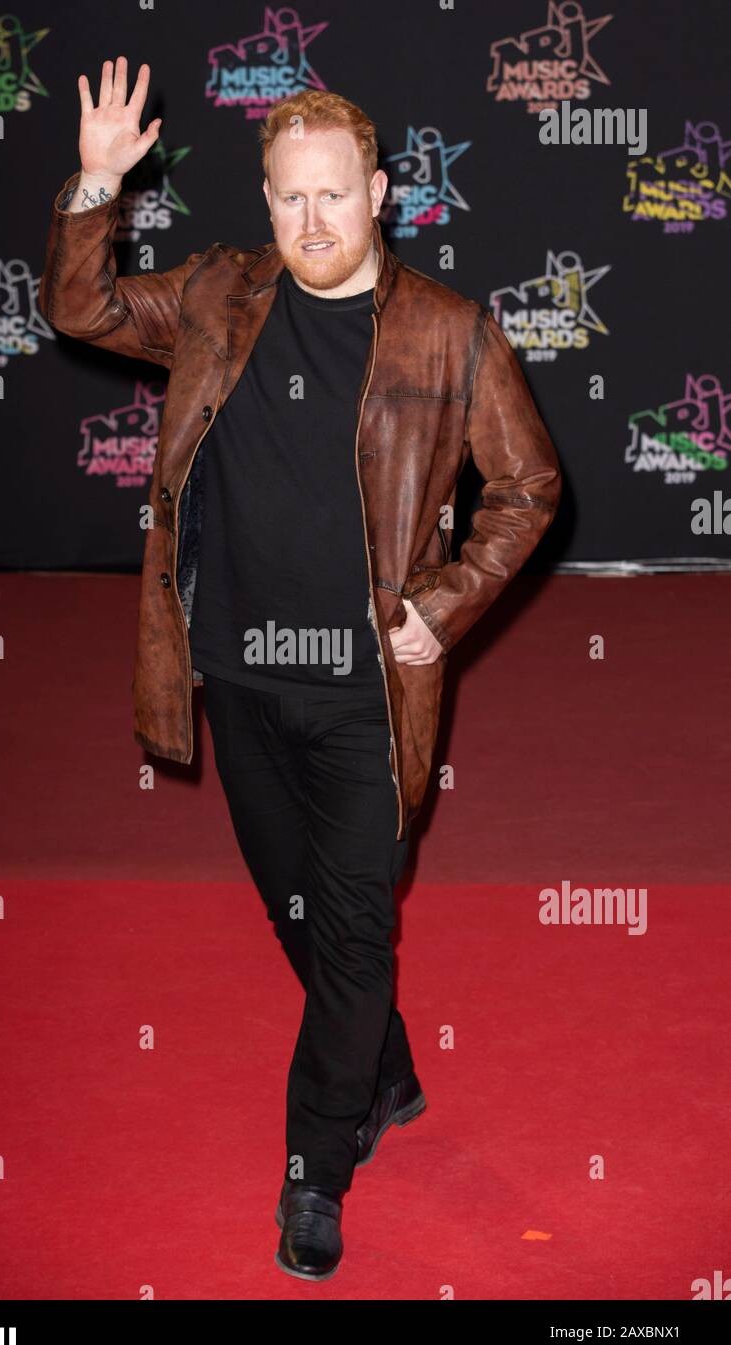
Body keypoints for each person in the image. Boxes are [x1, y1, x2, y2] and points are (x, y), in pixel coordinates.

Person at [38, 56, 562, 1282]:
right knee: (305, 922)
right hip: (238, 677)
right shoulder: (222, 294)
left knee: (351, 938)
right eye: (289, 198)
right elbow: (83, 312)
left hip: (369, 699)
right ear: (265, 201)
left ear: (377, 192)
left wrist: (445, 600)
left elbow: (530, 485)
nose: (312, 220)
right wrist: (94, 187)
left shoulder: (449, 329)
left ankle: (313, 1171)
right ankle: (378, 1069)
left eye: (334, 195)